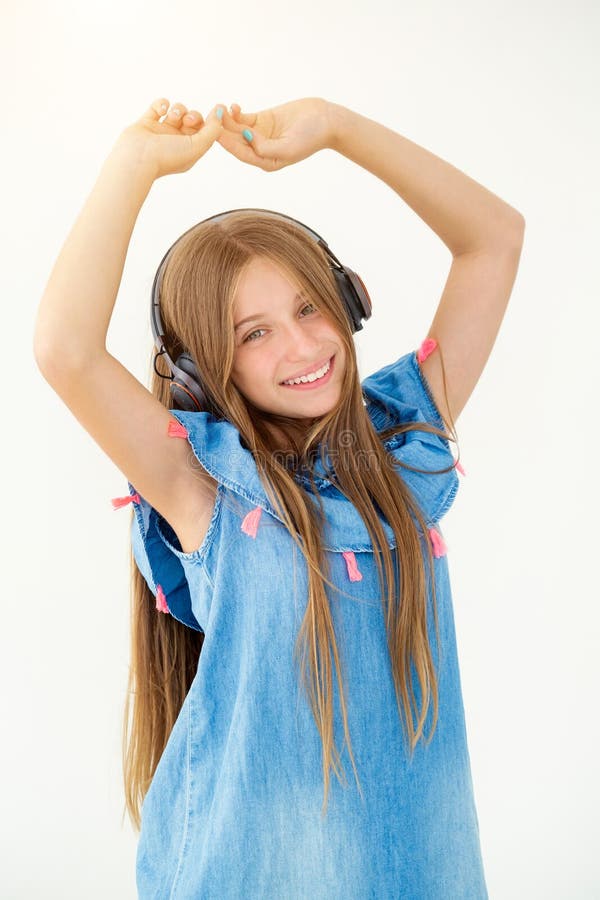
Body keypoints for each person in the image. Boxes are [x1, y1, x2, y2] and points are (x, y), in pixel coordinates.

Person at [33, 95, 525, 898]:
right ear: (200, 371)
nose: (302, 345)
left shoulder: (403, 444)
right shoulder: (200, 485)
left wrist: (337, 128)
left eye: (308, 308)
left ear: (348, 303)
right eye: (253, 332)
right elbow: (64, 348)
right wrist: (135, 164)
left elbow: (494, 241)